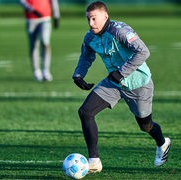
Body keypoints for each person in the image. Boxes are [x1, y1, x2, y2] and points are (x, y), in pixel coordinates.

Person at [72, 1, 171, 173]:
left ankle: (163, 143)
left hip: (139, 83)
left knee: (145, 125)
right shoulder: (89, 37)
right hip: (114, 83)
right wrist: (78, 74)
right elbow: (86, 57)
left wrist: (121, 72)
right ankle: (94, 161)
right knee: (85, 112)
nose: (91, 23)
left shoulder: (120, 31)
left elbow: (144, 52)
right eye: (88, 19)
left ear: (105, 16)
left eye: (94, 19)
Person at [19, 0, 60, 81]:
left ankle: (46, 70)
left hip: (45, 18)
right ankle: (36, 71)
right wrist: (32, 10)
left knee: (45, 42)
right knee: (33, 44)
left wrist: (56, 15)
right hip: (31, 19)